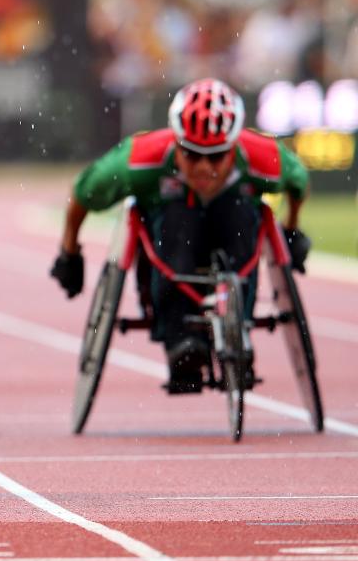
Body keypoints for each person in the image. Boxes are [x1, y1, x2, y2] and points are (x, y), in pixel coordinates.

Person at [50, 78, 311, 393]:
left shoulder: (262, 157)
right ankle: (181, 339)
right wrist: (70, 252)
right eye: (191, 153)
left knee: (242, 213)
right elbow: (83, 193)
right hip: (171, 236)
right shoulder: (140, 158)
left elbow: (299, 182)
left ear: (233, 148)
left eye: (215, 157)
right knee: (178, 219)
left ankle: (237, 326)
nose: (203, 167)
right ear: (176, 143)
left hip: (233, 227)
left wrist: (291, 230)